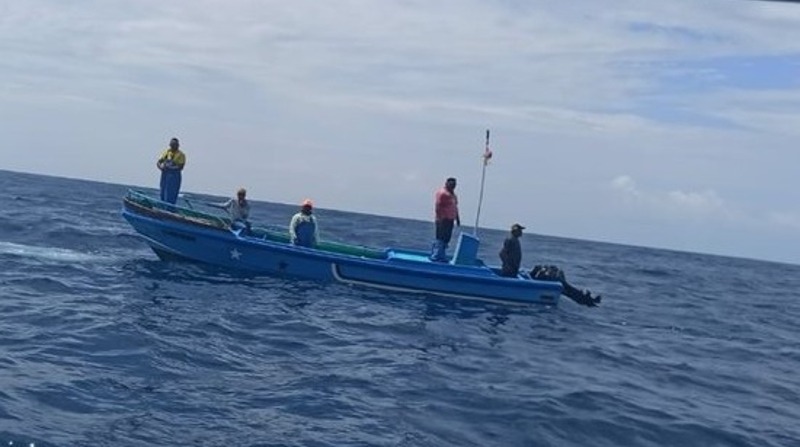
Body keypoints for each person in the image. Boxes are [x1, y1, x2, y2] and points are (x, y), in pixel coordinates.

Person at [430, 177, 460, 262]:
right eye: (451, 184)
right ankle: (435, 256)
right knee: (440, 237)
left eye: (454, 184)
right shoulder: (443, 193)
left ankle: (441, 255)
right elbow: (438, 206)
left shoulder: (453, 195)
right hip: (442, 219)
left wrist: (457, 218)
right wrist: (440, 217)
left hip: (450, 220)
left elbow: (455, 207)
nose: (453, 186)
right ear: (446, 183)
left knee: (446, 238)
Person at [156, 137, 186, 204]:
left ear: (178, 145)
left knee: (171, 194)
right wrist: (161, 167)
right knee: (163, 192)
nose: (172, 146)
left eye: (174, 145)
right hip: (165, 175)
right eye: (171, 144)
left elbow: (180, 167)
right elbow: (159, 162)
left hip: (174, 176)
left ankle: (170, 209)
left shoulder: (181, 155)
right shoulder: (167, 152)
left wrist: (170, 168)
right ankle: (162, 207)